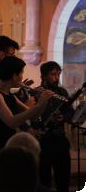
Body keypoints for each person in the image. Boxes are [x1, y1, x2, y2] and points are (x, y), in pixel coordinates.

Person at [0, 56, 54, 192]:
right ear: (14, 75)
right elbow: (11, 122)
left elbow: (33, 115)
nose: (22, 77)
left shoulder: (10, 95)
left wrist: (43, 102)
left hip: (5, 148)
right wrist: (39, 105)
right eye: (21, 73)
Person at [37, 61, 74, 192]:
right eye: (53, 74)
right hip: (43, 142)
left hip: (60, 141)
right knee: (44, 180)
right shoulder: (37, 93)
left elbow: (70, 112)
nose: (56, 78)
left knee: (63, 180)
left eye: (58, 74)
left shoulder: (62, 91)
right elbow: (33, 115)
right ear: (43, 76)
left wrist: (63, 117)